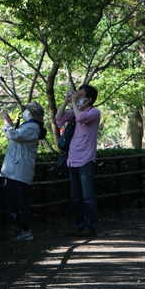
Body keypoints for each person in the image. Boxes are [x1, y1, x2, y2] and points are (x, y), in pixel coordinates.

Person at [55, 84, 102, 237]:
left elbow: (81, 118)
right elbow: (59, 119)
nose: (77, 97)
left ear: (89, 99)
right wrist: (67, 101)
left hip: (86, 159)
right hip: (72, 160)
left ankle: (90, 227)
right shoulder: (75, 112)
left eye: (80, 95)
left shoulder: (94, 112)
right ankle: (79, 226)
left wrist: (74, 103)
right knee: (76, 197)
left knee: (88, 196)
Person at [0, 102, 47, 241]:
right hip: (15, 168)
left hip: (19, 170)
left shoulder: (32, 127)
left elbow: (14, 135)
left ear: (31, 113)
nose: (24, 112)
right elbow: (14, 136)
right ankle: (23, 230)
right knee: (15, 200)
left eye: (25, 110)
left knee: (21, 200)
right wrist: (9, 124)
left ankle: (26, 230)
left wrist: (6, 123)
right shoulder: (29, 127)